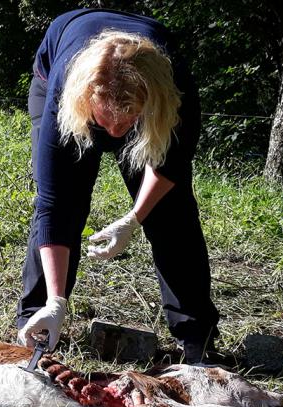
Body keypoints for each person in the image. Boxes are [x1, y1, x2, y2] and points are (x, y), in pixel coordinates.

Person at [16, 8, 220, 365]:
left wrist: (134, 219)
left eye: (124, 123)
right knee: (65, 205)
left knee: (171, 214)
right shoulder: (67, 87)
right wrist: (56, 302)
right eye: (104, 122)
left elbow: (170, 166)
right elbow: (53, 202)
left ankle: (196, 340)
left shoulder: (172, 89)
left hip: (148, 101)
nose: (113, 135)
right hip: (62, 78)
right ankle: (40, 318)